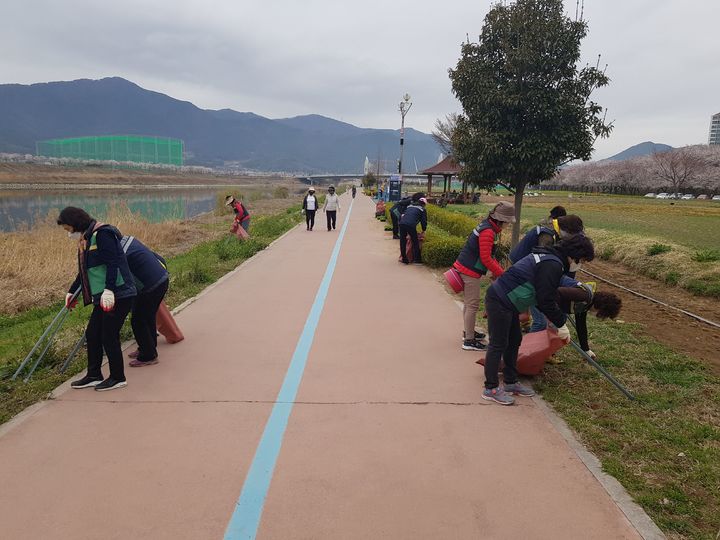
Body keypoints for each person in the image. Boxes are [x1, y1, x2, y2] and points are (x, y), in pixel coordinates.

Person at [482, 234, 596, 405]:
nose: (580, 264)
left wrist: (577, 285)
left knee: (514, 340)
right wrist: (560, 323)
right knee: (498, 344)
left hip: (509, 302)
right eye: (582, 260)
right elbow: (545, 299)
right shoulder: (553, 263)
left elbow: (555, 281)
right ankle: (490, 388)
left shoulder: (552, 258)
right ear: (575, 255)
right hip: (500, 299)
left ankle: (511, 382)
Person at [58, 207, 137, 391]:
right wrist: (72, 292)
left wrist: (109, 290)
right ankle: (94, 374)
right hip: (103, 296)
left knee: (108, 335)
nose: (68, 233)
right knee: (93, 334)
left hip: (118, 294)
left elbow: (113, 263)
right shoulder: (87, 239)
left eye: (68, 229)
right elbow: (85, 271)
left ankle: (118, 377)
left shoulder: (103, 234)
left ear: (76, 224)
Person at [452, 201, 515, 351]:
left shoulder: (486, 225)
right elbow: (486, 258)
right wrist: (501, 273)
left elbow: (486, 257)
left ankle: (469, 332)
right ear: (502, 220)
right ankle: (469, 341)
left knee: (469, 304)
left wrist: (496, 271)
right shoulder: (488, 232)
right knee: (472, 305)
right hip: (469, 271)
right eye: (507, 222)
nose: (507, 225)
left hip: (466, 267)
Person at [509, 212, 585, 333]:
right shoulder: (547, 236)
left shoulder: (556, 231)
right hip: (524, 271)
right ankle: (530, 347)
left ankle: (525, 325)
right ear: (567, 231)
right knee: (540, 319)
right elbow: (544, 268)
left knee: (537, 305)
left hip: (529, 270)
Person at [120, 235, 170, 367]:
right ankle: (148, 347)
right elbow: (158, 257)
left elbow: (125, 279)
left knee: (138, 320)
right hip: (161, 278)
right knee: (148, 316)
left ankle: (148, 356)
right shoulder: (129, 241)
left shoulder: (119, 253)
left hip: (150, 286)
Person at [398, 197, 427, 264]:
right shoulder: (422, 209)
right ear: (424, 204)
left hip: (402, 223)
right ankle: (417, 259)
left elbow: (403, 215)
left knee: (402, 241)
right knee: (415, 241)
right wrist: (424, 230)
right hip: (410, 225)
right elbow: (423, 221)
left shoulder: (409, 207)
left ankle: (404, 258)